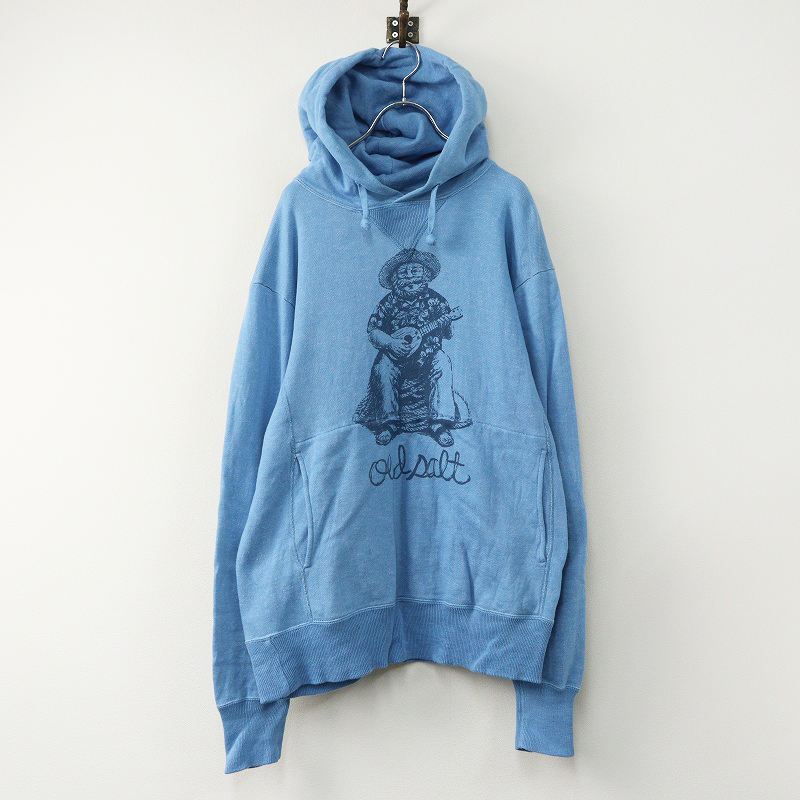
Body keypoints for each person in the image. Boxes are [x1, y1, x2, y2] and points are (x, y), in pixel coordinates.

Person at [353, 248, 471, 447]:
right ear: (395, 277)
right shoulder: (388, 302)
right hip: (394, 358)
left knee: (443, 362)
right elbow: (373, 331)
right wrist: (390, 342)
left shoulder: (436, 300)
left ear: (425, 274)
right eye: (404, 272)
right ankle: (389, 423)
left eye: (415, 271)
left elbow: (448, 335)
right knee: (382, 368)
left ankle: (439, 423)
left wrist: (446, 321)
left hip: (429, 356)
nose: (410, 276)